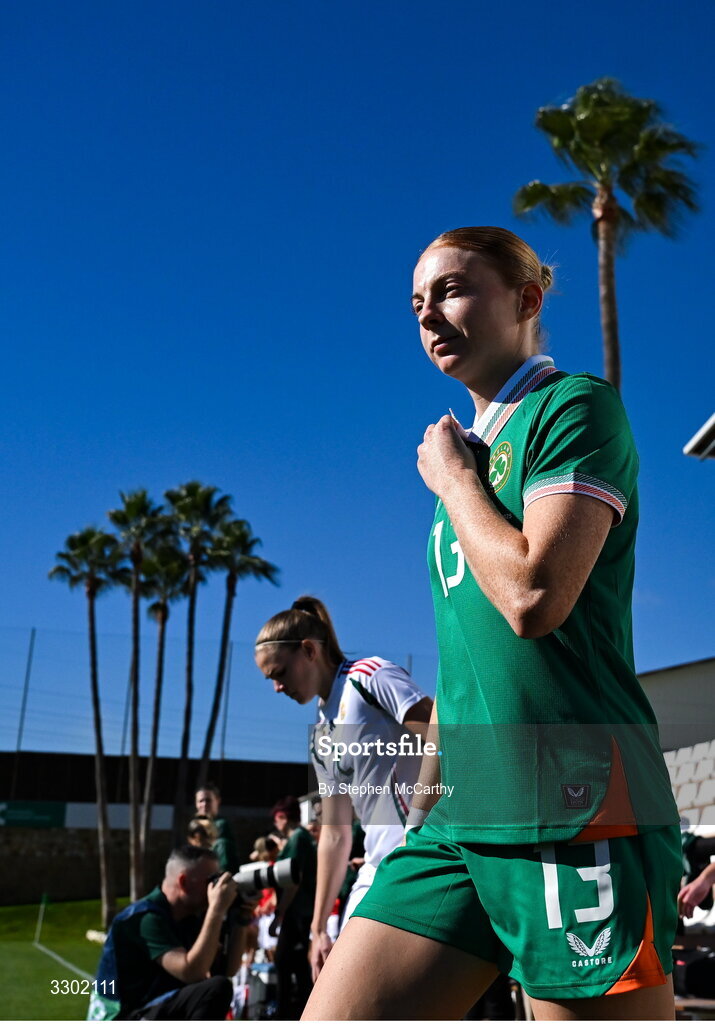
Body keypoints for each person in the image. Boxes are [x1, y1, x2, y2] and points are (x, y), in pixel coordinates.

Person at [301, 227, 682, 1021]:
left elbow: (533, 598)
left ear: (526, 299)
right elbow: (462, 671)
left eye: (450, 290)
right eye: (416, 304)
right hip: (460, 820)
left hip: (575, 805)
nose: (429, 316)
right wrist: (421, 819)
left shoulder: (571, 408)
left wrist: (451, 483)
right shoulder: (470, 463)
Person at [254, 596, 433, 981]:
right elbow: (334, 834)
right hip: (375, 870)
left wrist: (423, 827)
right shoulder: (321, 730)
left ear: (309, 650)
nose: (276, 686)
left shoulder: (369, 678)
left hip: (423, 863)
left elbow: (443, 738)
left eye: (279, 672)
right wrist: (318, 928)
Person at [89, 845, 239, 1020]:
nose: (214, 888)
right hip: (124, 1015)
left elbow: (228, 969)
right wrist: (217, 910)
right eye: (210, 881)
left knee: (219, 984)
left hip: (152, 1009)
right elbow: (192, 972)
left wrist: (242, 918)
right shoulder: (143, 918)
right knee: (215, 989)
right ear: (183, 882)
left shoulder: (189, 919)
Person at [270, 795, 318, 1018]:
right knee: (297, 965)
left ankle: (285, 1013)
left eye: (277, 818)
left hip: (296, 912)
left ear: (283, 817)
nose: (275, 824)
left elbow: (293, 880)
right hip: (300, 910)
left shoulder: (298, 838)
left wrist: (280, 913)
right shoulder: (299, 838)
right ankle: (301, 1012)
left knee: (284, 963)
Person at [194, 783, 239, 874]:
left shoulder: (221, 826)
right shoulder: (194, 827)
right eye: (201, 801)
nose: (204, 804)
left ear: (217, 801)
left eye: (208, 800)